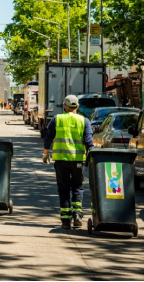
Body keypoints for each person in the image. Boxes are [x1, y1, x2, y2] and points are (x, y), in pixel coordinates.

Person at [43, 95, 93, 229]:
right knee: (77, 186)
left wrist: (45, 153)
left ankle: (65, 220)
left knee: (63, 188)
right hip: (77, 161)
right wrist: (92, 157)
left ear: (65, 106)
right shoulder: (84, 121)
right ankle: (77, 214)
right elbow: (89, 142)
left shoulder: (57, 119)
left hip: (61, 160)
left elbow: (48, 137)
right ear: (77, 106)